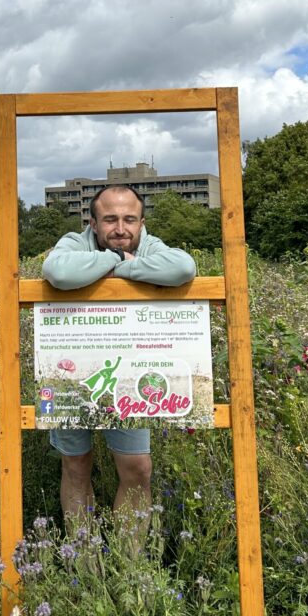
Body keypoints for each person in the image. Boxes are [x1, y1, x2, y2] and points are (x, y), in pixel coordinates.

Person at [42, 184, 196, 521]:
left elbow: (183, 269)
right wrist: (116, 259)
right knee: (76, 464)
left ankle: (130, 566)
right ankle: (81, 563)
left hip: (129, 369)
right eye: (110, 219)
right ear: (93, 224)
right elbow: (58, 271)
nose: (121, 229)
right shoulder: (73, 242)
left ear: (142, 223)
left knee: (137, 467)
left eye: (130, 219)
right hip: (73, 365)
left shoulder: (149, 244)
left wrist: (120, 268)